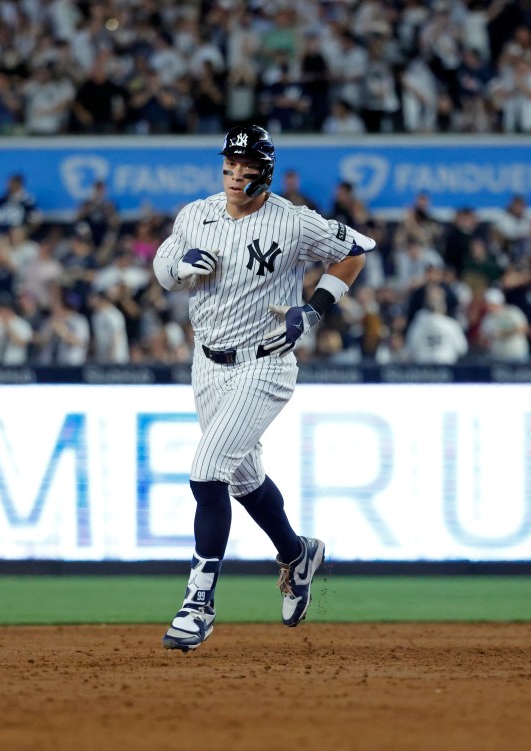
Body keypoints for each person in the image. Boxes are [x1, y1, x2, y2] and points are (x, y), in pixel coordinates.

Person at [152, 124, 373, 651]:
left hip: (266, 362)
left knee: (207, 472)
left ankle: (198, 603)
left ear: (264, 173)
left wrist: (315, 309)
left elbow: (357, 250)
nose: (234, 176)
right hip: (208, 363)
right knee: (243, 480)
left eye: (245, 168)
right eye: (229, 166)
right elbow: (162, 267)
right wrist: (179, 269)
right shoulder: (196, 214)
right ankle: (298, 554)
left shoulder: (293, 223)